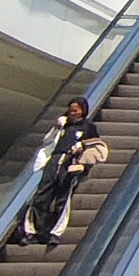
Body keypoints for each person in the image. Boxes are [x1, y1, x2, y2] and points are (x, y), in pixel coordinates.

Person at [26, 95, 108, 247]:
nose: (73, 113)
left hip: (71, 162)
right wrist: (57, 127)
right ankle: (36, 231)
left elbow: (96, 144)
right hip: (55, 160)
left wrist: (82, 147)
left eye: (76, 111)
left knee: (63, 196)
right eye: (71, 110)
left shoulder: (88, 127)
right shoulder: (63, 124)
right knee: (41, 195)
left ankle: (55, 232)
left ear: (83, 111)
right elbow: (47, 141)